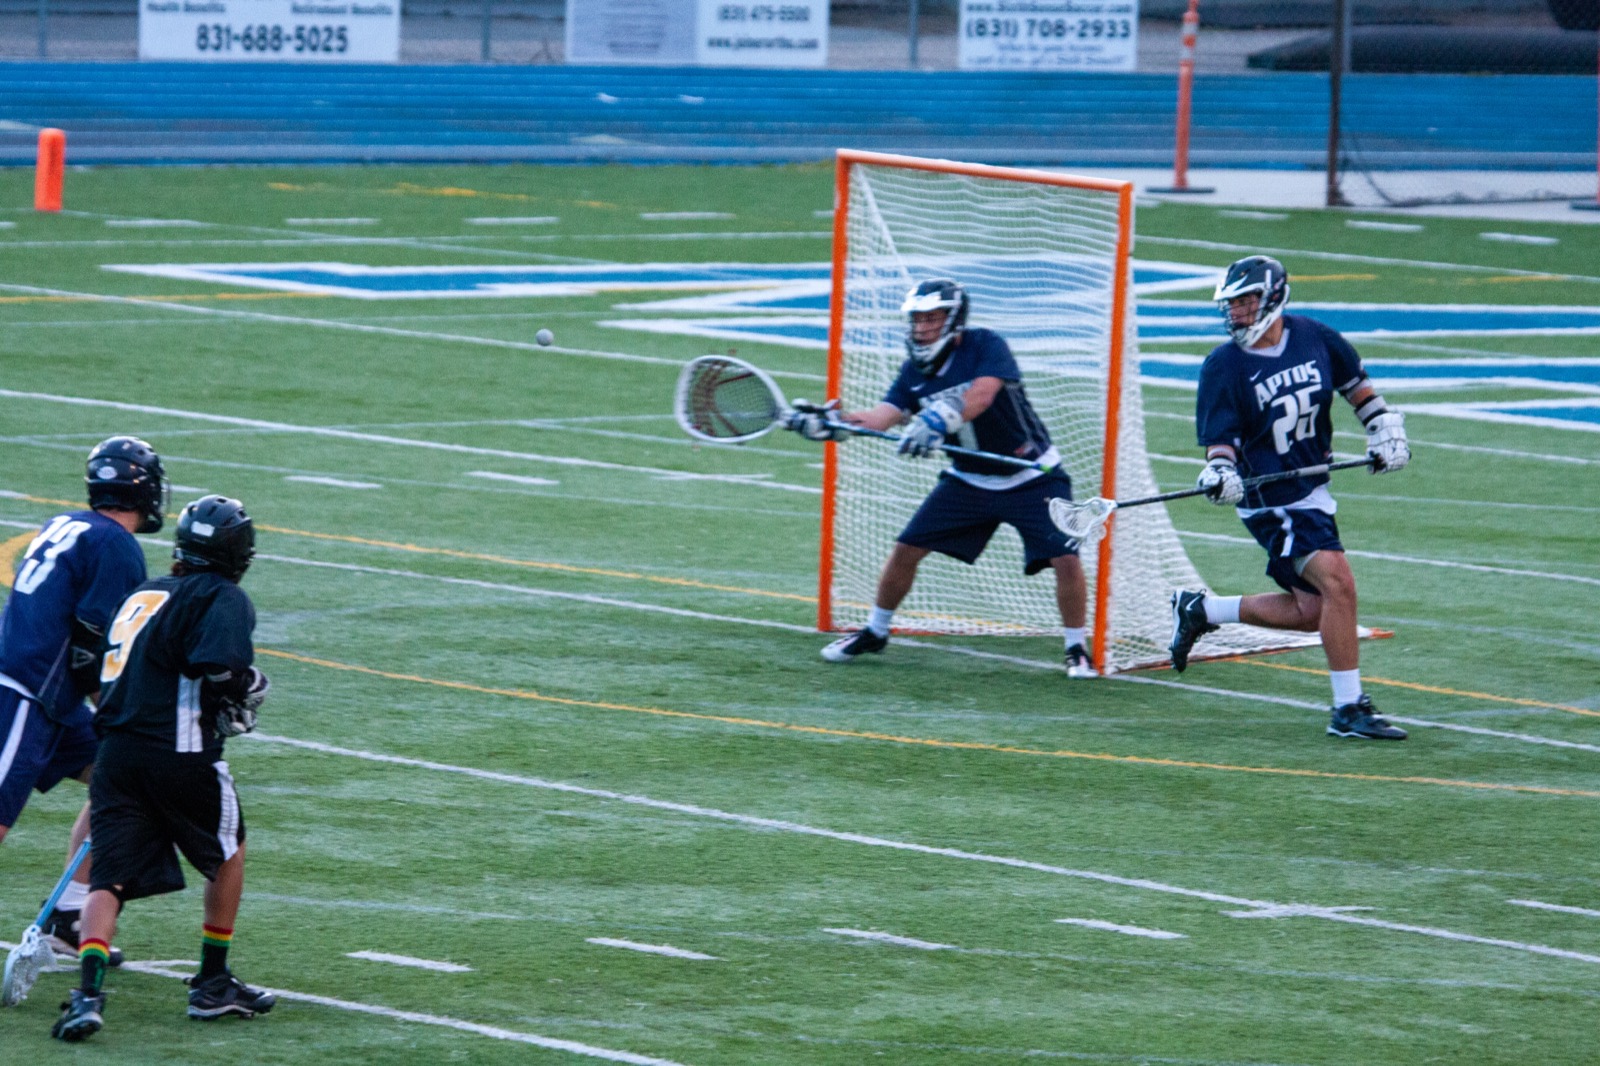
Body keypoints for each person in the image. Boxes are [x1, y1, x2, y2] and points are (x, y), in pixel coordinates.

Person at [786, 278, 1097, 677]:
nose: (922, 327)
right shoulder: (913, 370)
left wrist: (937, 419)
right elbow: (882, 416)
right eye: (917, 319)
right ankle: (876, 631)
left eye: (932, 318)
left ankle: (1076, 647)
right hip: (968, 479)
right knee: (906, 549)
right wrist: (834, 423)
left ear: (954, 319)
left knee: (1066, 558)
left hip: (1031, 475)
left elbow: (981, 396)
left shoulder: (985, 344)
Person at [53, 495, 273, 1042]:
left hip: (115, 753)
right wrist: (245, 685)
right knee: (228, 852)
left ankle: (87, 995)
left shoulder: (143, 592)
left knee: (108, 875)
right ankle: (213, 981)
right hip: (178, 750)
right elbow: (218, 666)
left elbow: (97, 663)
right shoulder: (221, 595)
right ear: (239, 554)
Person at [1168, 255, 1411, 740]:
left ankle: (1201, 611)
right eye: (1232, 303)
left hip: (1312, 487)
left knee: (1313, 612)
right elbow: (1221, 441)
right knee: (1339, 582)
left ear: (1273, 298)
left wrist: (1384, 429)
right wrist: (1221, 470)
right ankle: (1348, 709)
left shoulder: (1314, 336)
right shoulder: (1223, 365)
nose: (1237, 312)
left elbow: (1358, 389)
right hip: (1269, 495)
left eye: (1246, 301)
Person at [0, 436, 166, 966]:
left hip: (49, 696)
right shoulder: (116, 545)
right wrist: (115, 709)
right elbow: (89, 646)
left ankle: (70, 916)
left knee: (124, 779)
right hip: (24, 692)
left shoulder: (66, 524)